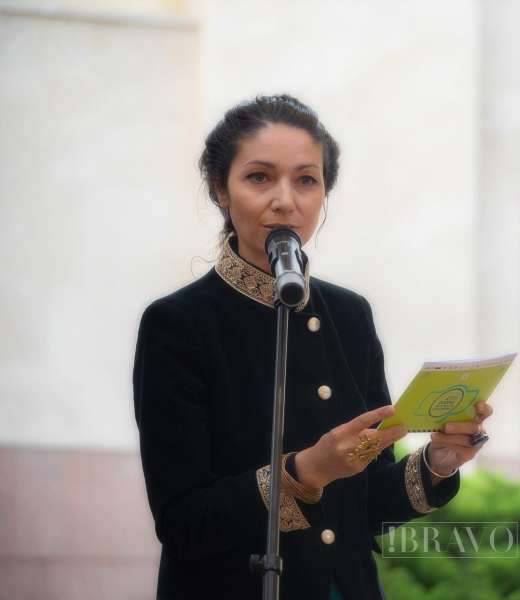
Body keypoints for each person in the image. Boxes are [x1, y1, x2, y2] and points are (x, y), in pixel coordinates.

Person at [133, 94, 493, 599]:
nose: (286, 200)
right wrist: (306, 472)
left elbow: (368, 506)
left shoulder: (350, 316)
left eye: (307, 179)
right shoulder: (177, 324)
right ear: (220, 188)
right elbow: (183, 523)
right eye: (259, 177)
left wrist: (438, 460)